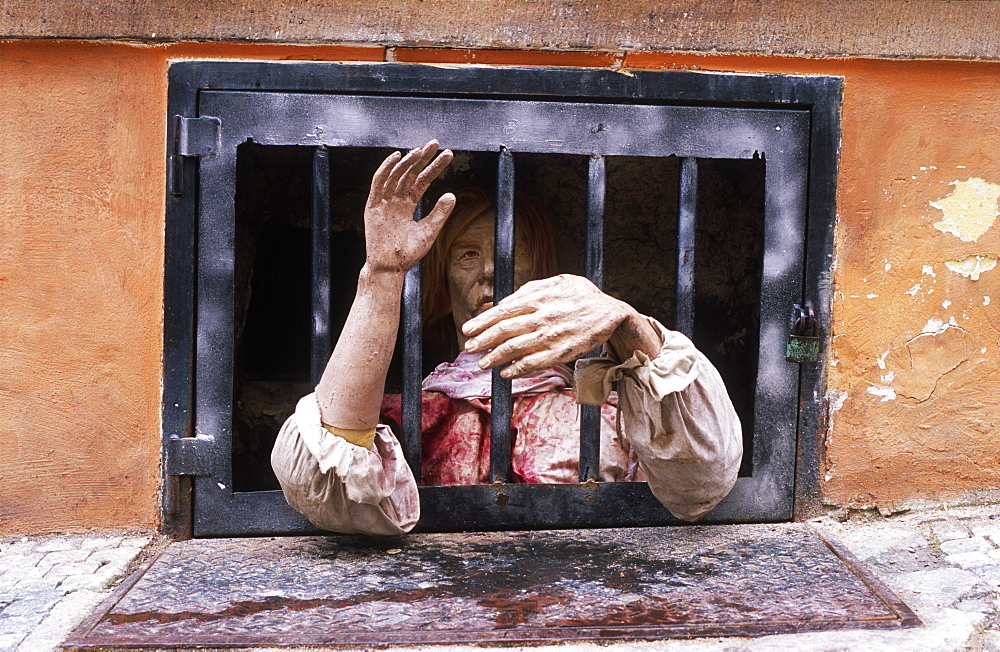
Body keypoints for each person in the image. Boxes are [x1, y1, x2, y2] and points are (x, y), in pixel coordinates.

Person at [271, 141, 743, 535]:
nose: (491, 270)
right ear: (444, 285)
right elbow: (326, 486)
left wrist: (623, 322)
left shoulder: (613, 412)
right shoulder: (411, 418)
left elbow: (705, 480)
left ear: (546, 272)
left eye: (509, 252)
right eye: (467, 255)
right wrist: (383, 275)